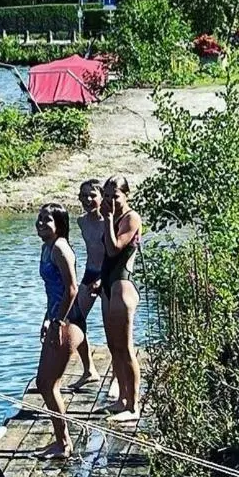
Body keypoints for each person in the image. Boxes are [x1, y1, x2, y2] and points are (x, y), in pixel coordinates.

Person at [35, 202, 86, 459]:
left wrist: (57, 322)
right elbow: (51, 291)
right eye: (40, 219)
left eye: (48, 220)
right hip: (57, 319)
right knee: (44, 383)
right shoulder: (47, 247)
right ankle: (61, 441)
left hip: (68, 321)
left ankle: (63, 444)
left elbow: (72, 289)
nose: (41, 223)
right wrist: (47, 317)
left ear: (60, 224)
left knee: (47, 383)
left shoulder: (60, 248)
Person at [99, 176, 143, 423]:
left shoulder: (131, 217)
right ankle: (122, 399)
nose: (110, 201)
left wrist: (107, 219)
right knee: (113, 346)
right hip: (107, 285)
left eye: (114, 196)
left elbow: (115, 248)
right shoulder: (109, 217)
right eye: (106, 196)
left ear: (126, 195)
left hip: (123, 286)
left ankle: (133, 406)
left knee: (126, 348)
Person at [69, 179, 106, 389]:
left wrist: (103, 280)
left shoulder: (110, 222)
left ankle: (119, 380)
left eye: (92, 195)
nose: (88, 200)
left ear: (102, 197)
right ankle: (89, 369)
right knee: (75, 319)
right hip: (90, 274)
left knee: (115, 328)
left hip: (109, 275)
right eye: (84, 196)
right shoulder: (81, 221)